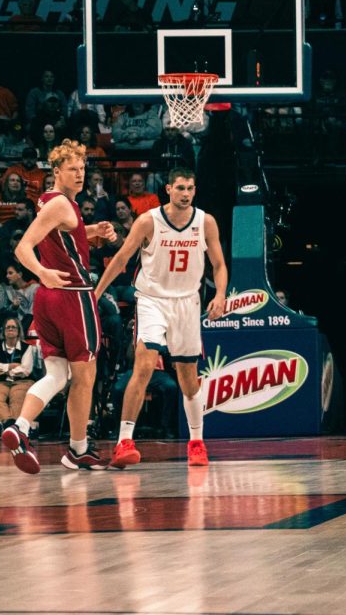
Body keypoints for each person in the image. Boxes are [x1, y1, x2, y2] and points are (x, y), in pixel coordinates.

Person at [93, 168, 227, 469]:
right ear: (168, 189)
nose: (186, 194)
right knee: (143, 363)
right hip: (152, 299)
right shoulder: (148, 221)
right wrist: (97, 293)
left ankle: (196, 442)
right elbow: (121, 259)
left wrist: (220, 294)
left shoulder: (205, 222)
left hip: (187, 302)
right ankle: (124, 442)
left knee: (188, 377)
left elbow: (218, 264)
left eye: (191, 188)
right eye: (181, 188)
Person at [1, 140, 116, 474]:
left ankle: (20, 427)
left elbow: (62, 235)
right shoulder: (62, 203)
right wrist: (41, 273)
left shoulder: (52, 202)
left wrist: (92, 231)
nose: (80, 175)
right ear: (56, 172)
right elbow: (23, 249)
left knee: (57, 374)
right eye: (72, 169)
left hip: (49, 301)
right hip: (72, 295)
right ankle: (78, 449)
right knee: (85, 376)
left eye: (82, 169)